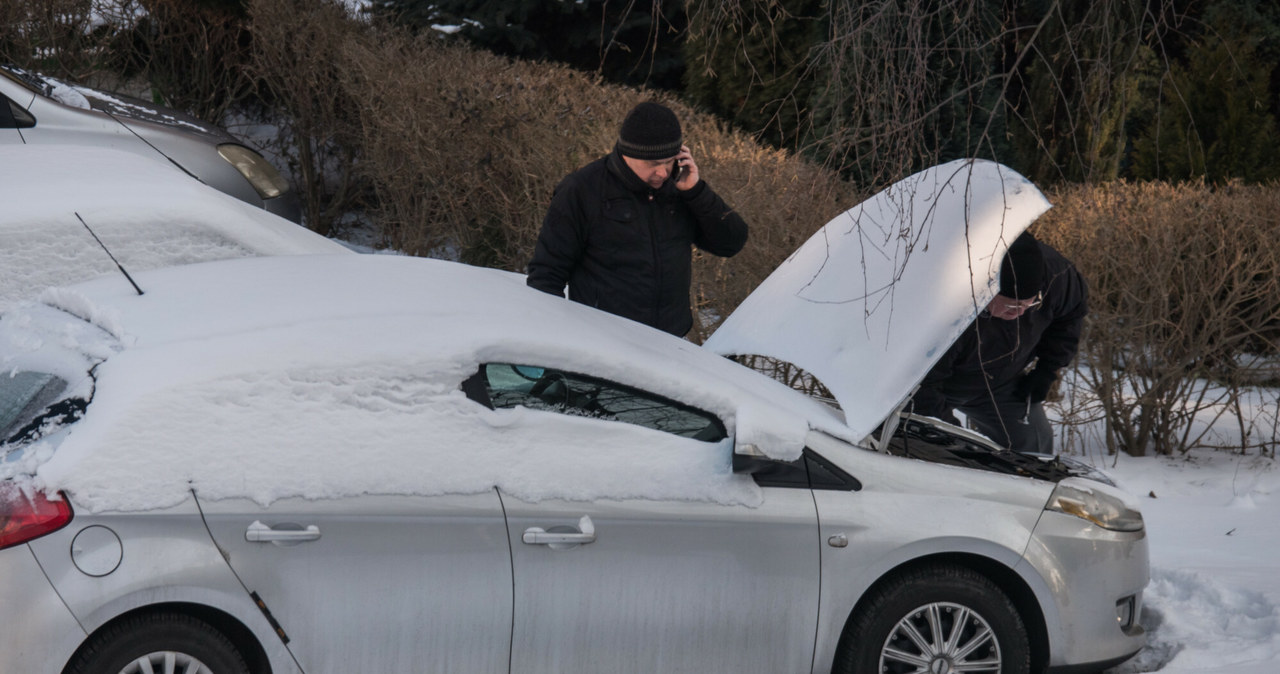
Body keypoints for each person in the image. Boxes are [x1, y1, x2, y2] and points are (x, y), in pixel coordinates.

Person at [526, 101, 748, 337]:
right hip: (603, 342)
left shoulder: (680, 190)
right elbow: (546, 275)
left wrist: (696, 191)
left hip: (671, 342)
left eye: (669, 161)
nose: (662, 172)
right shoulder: (582, 190)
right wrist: (557, 341)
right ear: (627, 155)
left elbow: (731, 243)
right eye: (653, 164)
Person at [911, 231, 1088, 454]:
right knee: (940, 453)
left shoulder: (1057, 276)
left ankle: (1031, 488)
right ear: (986, 291)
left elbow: (1071, 315)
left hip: (1002, 379)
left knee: (1034, 444)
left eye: (1029, 305)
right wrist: (953, 440)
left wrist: (1047, 370)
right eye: (1011, 306)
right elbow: (924, 387)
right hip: (939, 385)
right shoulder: (947, 309)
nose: (1020, 313)